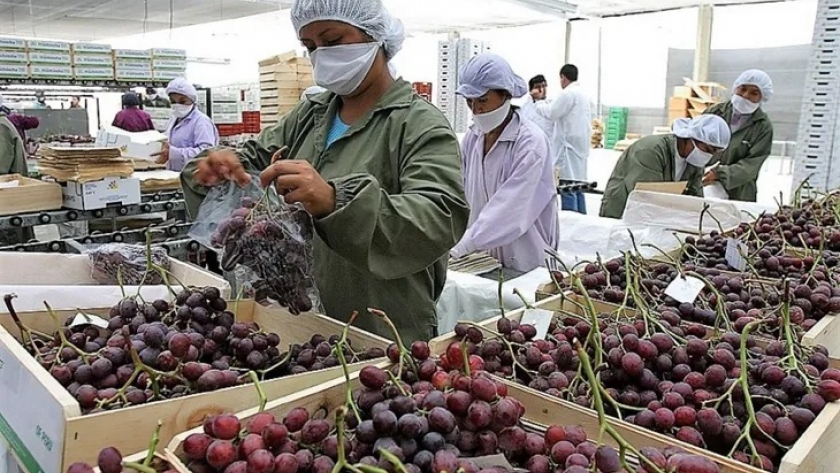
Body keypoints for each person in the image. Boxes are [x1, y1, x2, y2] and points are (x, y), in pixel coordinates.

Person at [180, 0, 469, 342]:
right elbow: (250, 164)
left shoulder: (416, 124)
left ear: (374, 35)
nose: (321, 56)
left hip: (381, 330)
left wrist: (335, 201)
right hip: (297, 327)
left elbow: (439, 215)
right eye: (311, 47)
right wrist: (218, 168)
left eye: (332, 41)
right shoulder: (309, 116)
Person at [450, 54, 558, 273]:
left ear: (506, 96)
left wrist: (464, 244)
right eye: (469, 102)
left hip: (525, 261)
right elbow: (458, 190)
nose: (476, 109)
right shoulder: (473, 138)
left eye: (482, 101)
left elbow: (510, 207)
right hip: (481, 259)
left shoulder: (530, 143)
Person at [599, 115, 731, 219]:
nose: (709, 156)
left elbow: (695, 200)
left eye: (714, 152)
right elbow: (646, 198)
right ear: (690, 138)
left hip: (657, 215)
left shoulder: (694, 161)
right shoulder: (650, 151)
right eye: (707, 149)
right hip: (622, 212)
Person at [702, 69, 774, 202]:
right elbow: (695, 141)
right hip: (704, 182)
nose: (745, 95)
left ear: (762, 97)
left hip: (739, 192)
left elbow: (751, 164)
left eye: (754, 93)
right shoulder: (715, 112)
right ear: (735, 87)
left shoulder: (762, 126)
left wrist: (720, 174)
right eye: (742, 89)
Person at [531, 64, 591, 214]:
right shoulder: (583, 94)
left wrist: (538, 102)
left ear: (563, 78)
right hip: (578, 148)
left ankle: (572, 224)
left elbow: (551, 114)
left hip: (567, 148)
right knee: (578, 187)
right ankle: (581, 223)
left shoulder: (567, 94)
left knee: (567, 186)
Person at [153, 78, 218, 172]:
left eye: (182, 101)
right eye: (173, 101)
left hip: (195, 178)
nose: (177, 105)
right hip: (175, 174)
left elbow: (207, 152)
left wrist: (174, 153)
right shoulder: (174, 118)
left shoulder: (201, 122)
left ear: (192, 100)